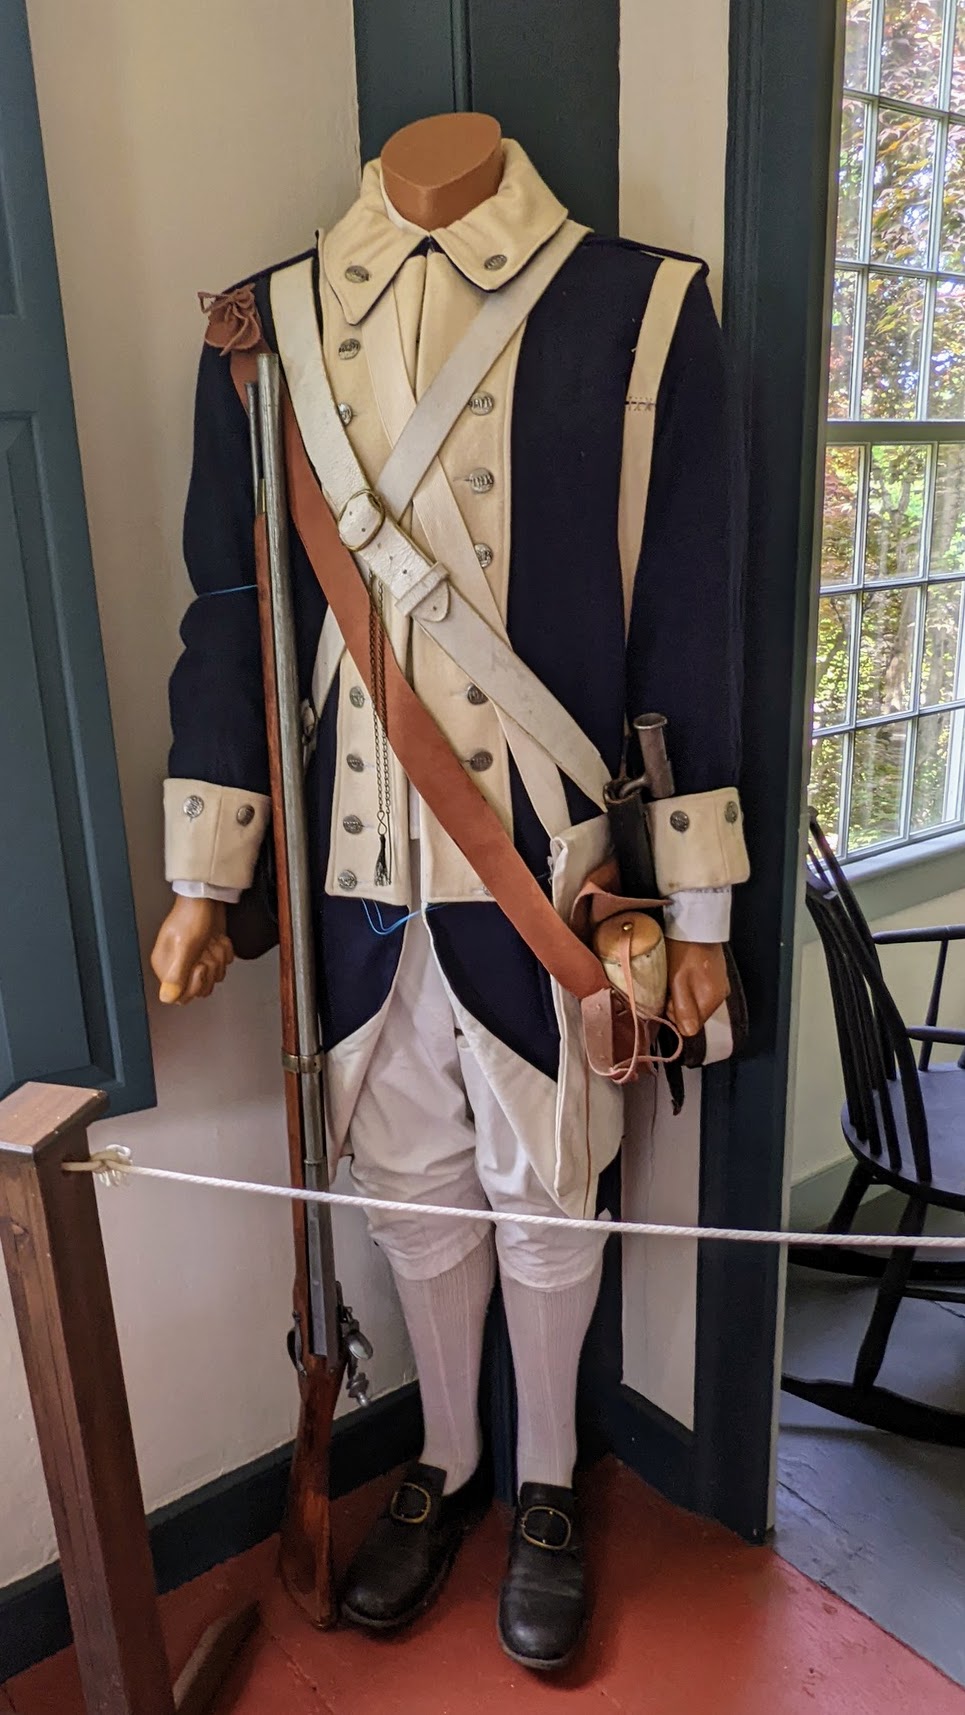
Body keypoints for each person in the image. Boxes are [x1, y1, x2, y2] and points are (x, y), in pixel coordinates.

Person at [151, 117, 747, 1672]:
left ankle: (545, 1478)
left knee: (548, 1191)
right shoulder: (263, 324)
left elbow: (687, 623)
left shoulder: (644, 308)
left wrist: (696, 917)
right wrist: (209, 874)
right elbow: (233, 603)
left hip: (543, 867)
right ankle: (451, 1456)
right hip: (352, 874)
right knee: (409, 1187)